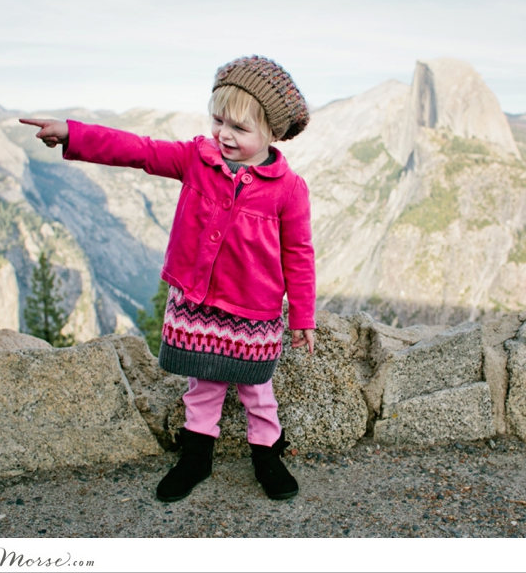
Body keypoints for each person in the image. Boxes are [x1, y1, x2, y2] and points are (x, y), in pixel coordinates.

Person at [21, 55, 315, 502]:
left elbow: (298, 254)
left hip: (253, 310)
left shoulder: (289, 189)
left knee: (257, 388)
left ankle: (267, 456)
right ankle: (195, 457)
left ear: (271, 132)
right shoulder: (196, 159)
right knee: (202, 386)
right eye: (218, 121)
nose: (224, 135)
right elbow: (138, 150)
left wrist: (303, 318)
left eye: (239, 128)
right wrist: (73, 133)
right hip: (196, 301)